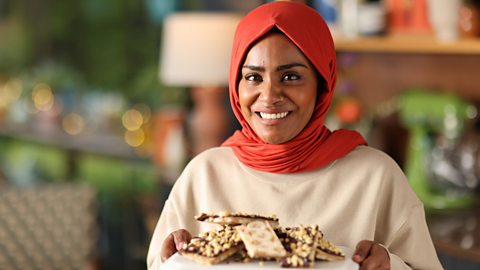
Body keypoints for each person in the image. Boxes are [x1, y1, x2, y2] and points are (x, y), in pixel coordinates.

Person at [147, 2, 443, 270]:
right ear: (236, 85)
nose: (270, 95)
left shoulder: (376, 176)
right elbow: (160, 265)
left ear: (322, 84)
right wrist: (170, 257)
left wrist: (389, 265)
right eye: (253, 77)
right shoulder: (204, 175)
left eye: (290, 77)